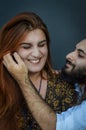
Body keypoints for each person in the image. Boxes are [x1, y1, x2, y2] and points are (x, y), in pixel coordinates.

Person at [0, 11, 86, 130]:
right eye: (26, 47)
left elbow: (58, 126)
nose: (37, 54)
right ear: (10, 51)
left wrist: (22, 79)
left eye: (42, 45)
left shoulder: (65, 87)